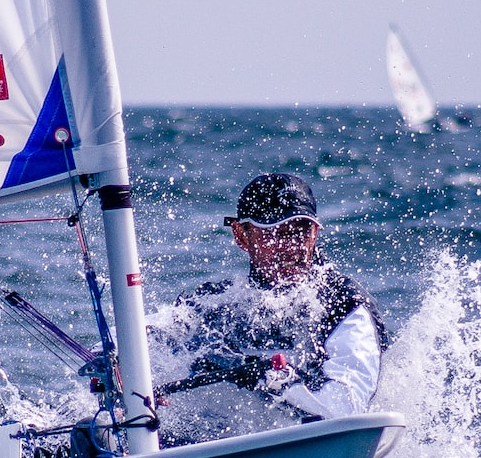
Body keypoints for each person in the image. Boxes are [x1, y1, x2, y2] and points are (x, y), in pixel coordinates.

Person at [158, 173, 386, 429]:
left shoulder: (344, 304)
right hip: (220, 447)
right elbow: (155, 333)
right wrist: (115, 360)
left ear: (315, 232)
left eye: (301, 231)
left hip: (313, 450)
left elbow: (345, 409)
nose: (292, 246)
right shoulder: (216, 302)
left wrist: (271, 378)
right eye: (275, 233)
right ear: (241, 236)